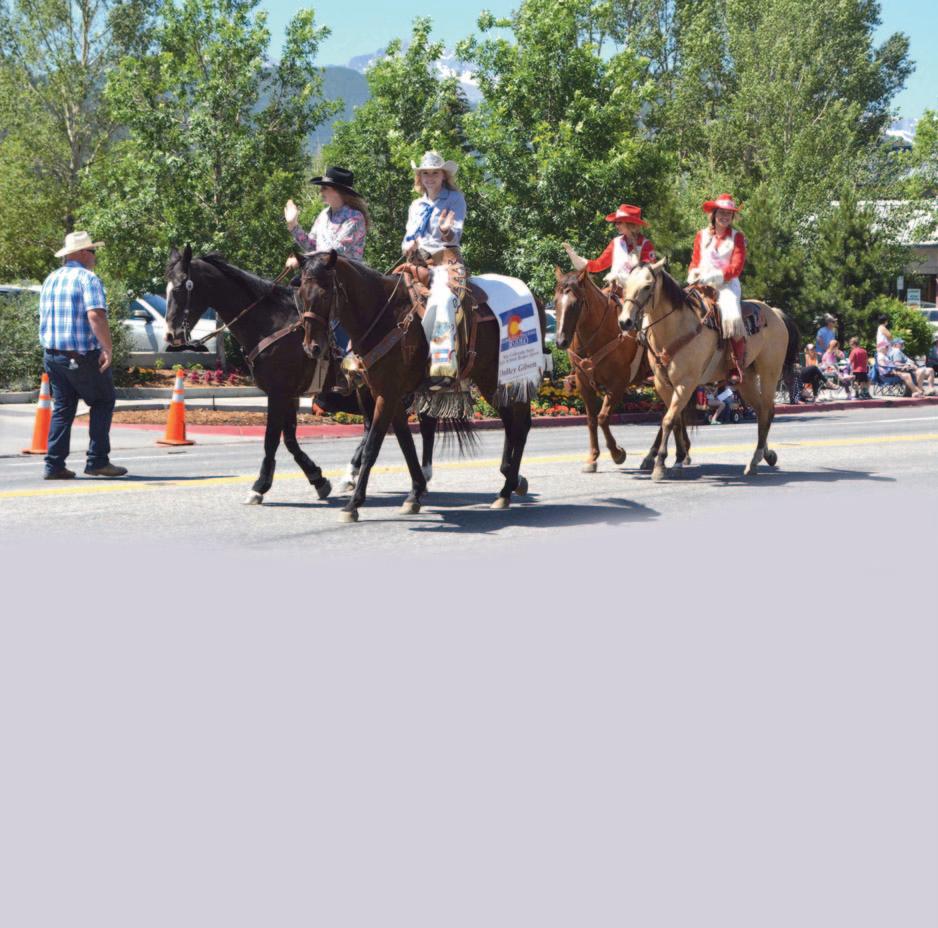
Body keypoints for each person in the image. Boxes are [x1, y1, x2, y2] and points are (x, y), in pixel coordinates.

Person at [38, 231, 127, 480]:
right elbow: (96, 315)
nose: (94, 256)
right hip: (80, 355)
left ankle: (54, 465)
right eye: (92, 251)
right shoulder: (88, 279)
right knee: (103, 401)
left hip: (53, 355)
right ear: (82, 253)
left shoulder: (51, 279)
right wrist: (107, 348)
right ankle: (97, 461)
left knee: (63, 408)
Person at [284, 166, 368, 362]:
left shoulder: (355, 218)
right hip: (323, 276)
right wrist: (293, 225)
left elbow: (334, 251)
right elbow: (311, 244)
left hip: (346, 282)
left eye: (325, 188)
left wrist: (300, 259)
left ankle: (348, 356)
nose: (321, 191)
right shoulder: (323, 215)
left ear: (338, 191)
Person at [401, 150, 468, 383]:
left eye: (435, 173)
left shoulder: (455, 199)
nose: (430, 178)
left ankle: (442, 362)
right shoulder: (415, 205)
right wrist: (407, 245)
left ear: (443, 176)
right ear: (419, 177)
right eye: (425, 173)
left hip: (445, 262)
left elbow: (455, 234)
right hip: (417, 262)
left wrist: (445, 231)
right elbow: (408, 236)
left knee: (442, 298)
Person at [687, 194, 748, 381]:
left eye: (728, 213)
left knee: (732, 316)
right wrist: (693, 272)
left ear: (732, 216)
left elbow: (736, 267)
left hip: (726, 285)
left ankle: (736, 363)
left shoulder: (737, 237)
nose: (725, 216)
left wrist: (715, 275)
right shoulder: (701, 235)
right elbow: (695, 260)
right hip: (702, 283)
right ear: (713, 214)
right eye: (721, 212)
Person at [561, 204, 657, 285]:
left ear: (630, 223)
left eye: (619, 222)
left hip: (637, 295)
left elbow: (649, 274)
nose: (616, 225)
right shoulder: (615, 242)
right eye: (616, 222)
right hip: (614, 290)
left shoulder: (646, 245)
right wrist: (581, 261)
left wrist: (624, 277)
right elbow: (599, 264)